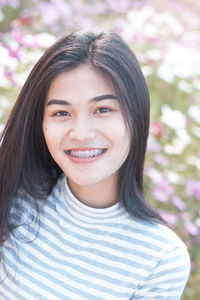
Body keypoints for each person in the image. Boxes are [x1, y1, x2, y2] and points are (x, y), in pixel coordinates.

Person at [0, 30, 190, 300]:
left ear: (136, 117)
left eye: (103, 110)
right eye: (61, 113)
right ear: (40, 123)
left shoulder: (160, 258)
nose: (81, 133)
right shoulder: (12, 194)